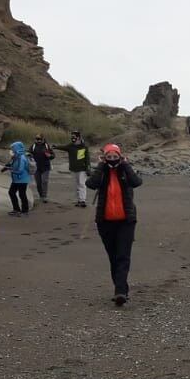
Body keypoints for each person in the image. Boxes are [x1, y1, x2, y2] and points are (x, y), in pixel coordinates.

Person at [86, 143, 143, 306]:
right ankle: (120, 288)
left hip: (126, 221)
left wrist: (125, 164)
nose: (112, 159)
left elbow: (137, 182)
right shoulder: (102, 171)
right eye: (109, 157)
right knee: (113, 257)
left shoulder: (125, 170)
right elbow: (91, 184)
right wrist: (101, 166)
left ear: (120, 156)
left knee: (123, 256)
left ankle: (120, 292)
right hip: (105, 222)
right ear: (105, 157)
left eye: (115, 156)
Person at [56, 130, 91, 207]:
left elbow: (87, 159)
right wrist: (55, 146)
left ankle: (82, 200)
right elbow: (63, 147)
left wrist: (88, 168)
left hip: (82, 169)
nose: (72, 138)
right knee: (76, 185)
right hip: (73, 169)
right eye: (72, 137)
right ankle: (78, 200)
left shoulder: (84, 146)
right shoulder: (70, 146)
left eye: (74, 137)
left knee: (82, 184)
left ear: (78, 137)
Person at [3, 140, 32, 217]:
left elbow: (20, 170)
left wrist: (10, 170)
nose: (11, 150)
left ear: (17, 148)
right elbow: (13, 165)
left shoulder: (22, 158)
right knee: (12, 192)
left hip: (22, 179)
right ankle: (16, 209)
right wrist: (8, 167)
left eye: (13, 148)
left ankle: (25, 211)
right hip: (16, 180)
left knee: (22, 194)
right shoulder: (16, 157)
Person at [29, 134, 54, 203]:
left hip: (46, 167)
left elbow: (53, 155)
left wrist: (49, 156)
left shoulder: (47, 146)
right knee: (38, 183)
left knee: (44, 181)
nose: (39, 141)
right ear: (35, 139)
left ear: (43, 139)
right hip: (36, 168)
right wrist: (29, 155)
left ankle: (44, 196)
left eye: (40, 139)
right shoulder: (33, 146)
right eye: (37, 139)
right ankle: (41, 196)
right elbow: (29, 153)